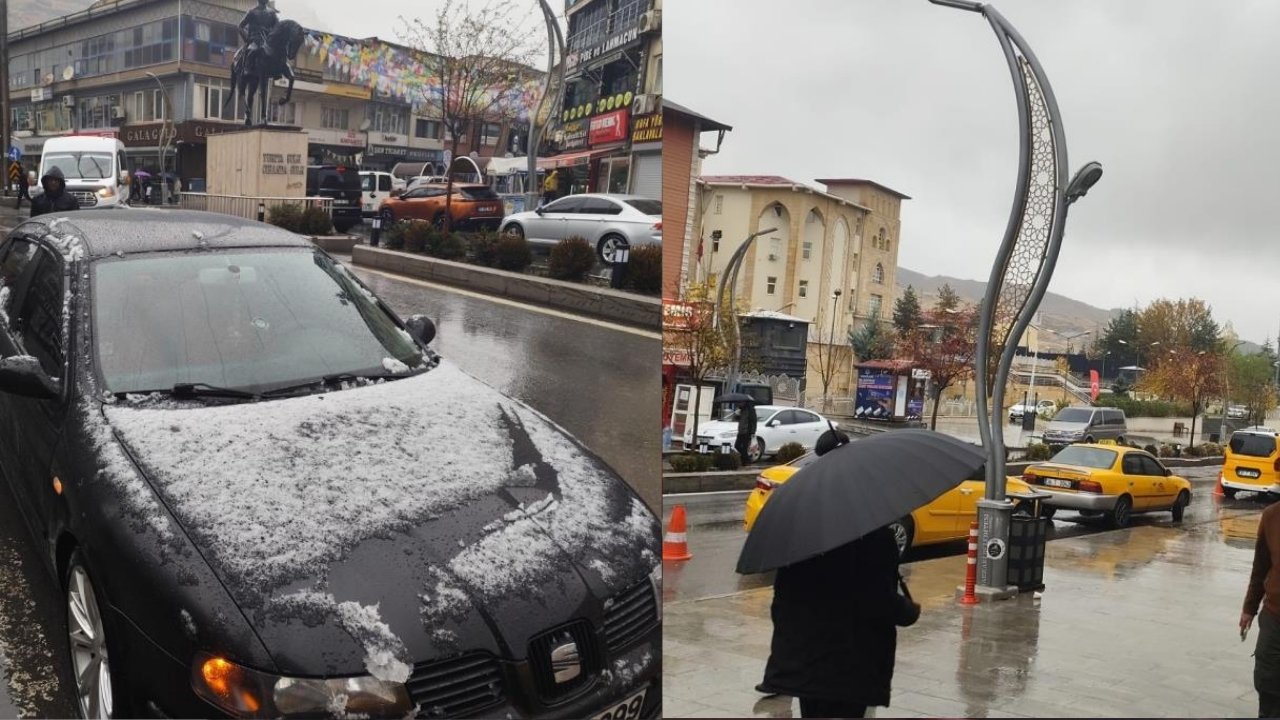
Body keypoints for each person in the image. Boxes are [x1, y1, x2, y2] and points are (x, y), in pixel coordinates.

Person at [759, 524, 920, 718]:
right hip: (852, 665)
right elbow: (877, 599)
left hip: (807, 662)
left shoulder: (801, 537)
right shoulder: (875, 537)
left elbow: (783, 598)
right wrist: (909, 611)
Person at [1241, 500, 1280, 718]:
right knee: (1267, 681)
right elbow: (1260, 567)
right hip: (1275, 616)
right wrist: (1249, 607)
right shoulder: (1272, 516)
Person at [236, 0, 279, 73]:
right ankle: (247, 68)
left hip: (268, 40)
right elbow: (240, 26)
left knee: (279, 53)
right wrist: (247, 39)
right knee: (253, 50)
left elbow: (277, 27)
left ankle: (277, 71)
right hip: (255, 39)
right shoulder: (252, 12)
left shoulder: (272, 13)